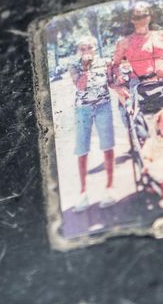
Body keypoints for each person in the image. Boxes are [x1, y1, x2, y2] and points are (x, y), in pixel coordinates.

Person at [69, 36, 116, 209]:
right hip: (83, 109)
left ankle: (110, 188)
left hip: (103, 106)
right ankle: (83, 192)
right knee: (82, 149)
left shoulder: (105, 62)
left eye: (89, 47)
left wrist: (124, 92)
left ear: (95, 48)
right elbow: (80, 86)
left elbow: (111, 82)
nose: (86, 51)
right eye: (82, 48)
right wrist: (85, 68)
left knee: (108, 146)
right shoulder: (73, 66)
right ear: (78, 51)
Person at [110, 1, 163, 120]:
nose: (142, 19)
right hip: (140, 84)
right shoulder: (124, 42)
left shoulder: (162, 35)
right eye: (137, 17)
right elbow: (115, 65)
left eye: (145, 15)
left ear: (150, 16)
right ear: (132, 19)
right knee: (139, 121)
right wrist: (119, 77)